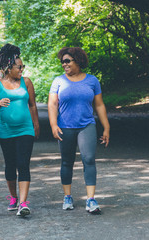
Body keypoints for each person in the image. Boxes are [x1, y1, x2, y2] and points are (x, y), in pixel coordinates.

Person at [48, 47, 110, 214]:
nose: (64, 64)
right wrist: (54, 125)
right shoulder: (58, 81)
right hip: (65, 127)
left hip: (86, 125)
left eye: (67, 61)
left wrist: (106, 127)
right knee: (67, 161)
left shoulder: (92, 81)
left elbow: (99, 105)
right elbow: (52, 104)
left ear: (78, 61)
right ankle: (67, 196)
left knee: (89, 159)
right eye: (62, 62)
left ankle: (91, 199)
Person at [0, 43, 40, 217]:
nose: (22, 69)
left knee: (23, 164)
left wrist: (36, 125)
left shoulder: (26, 82)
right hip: (6, 131)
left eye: (23, 66)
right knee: (10, 165)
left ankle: (23, 203)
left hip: (25, 129)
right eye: (19, 67)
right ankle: (13, 197)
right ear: (8, 67)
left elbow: (32, 105)